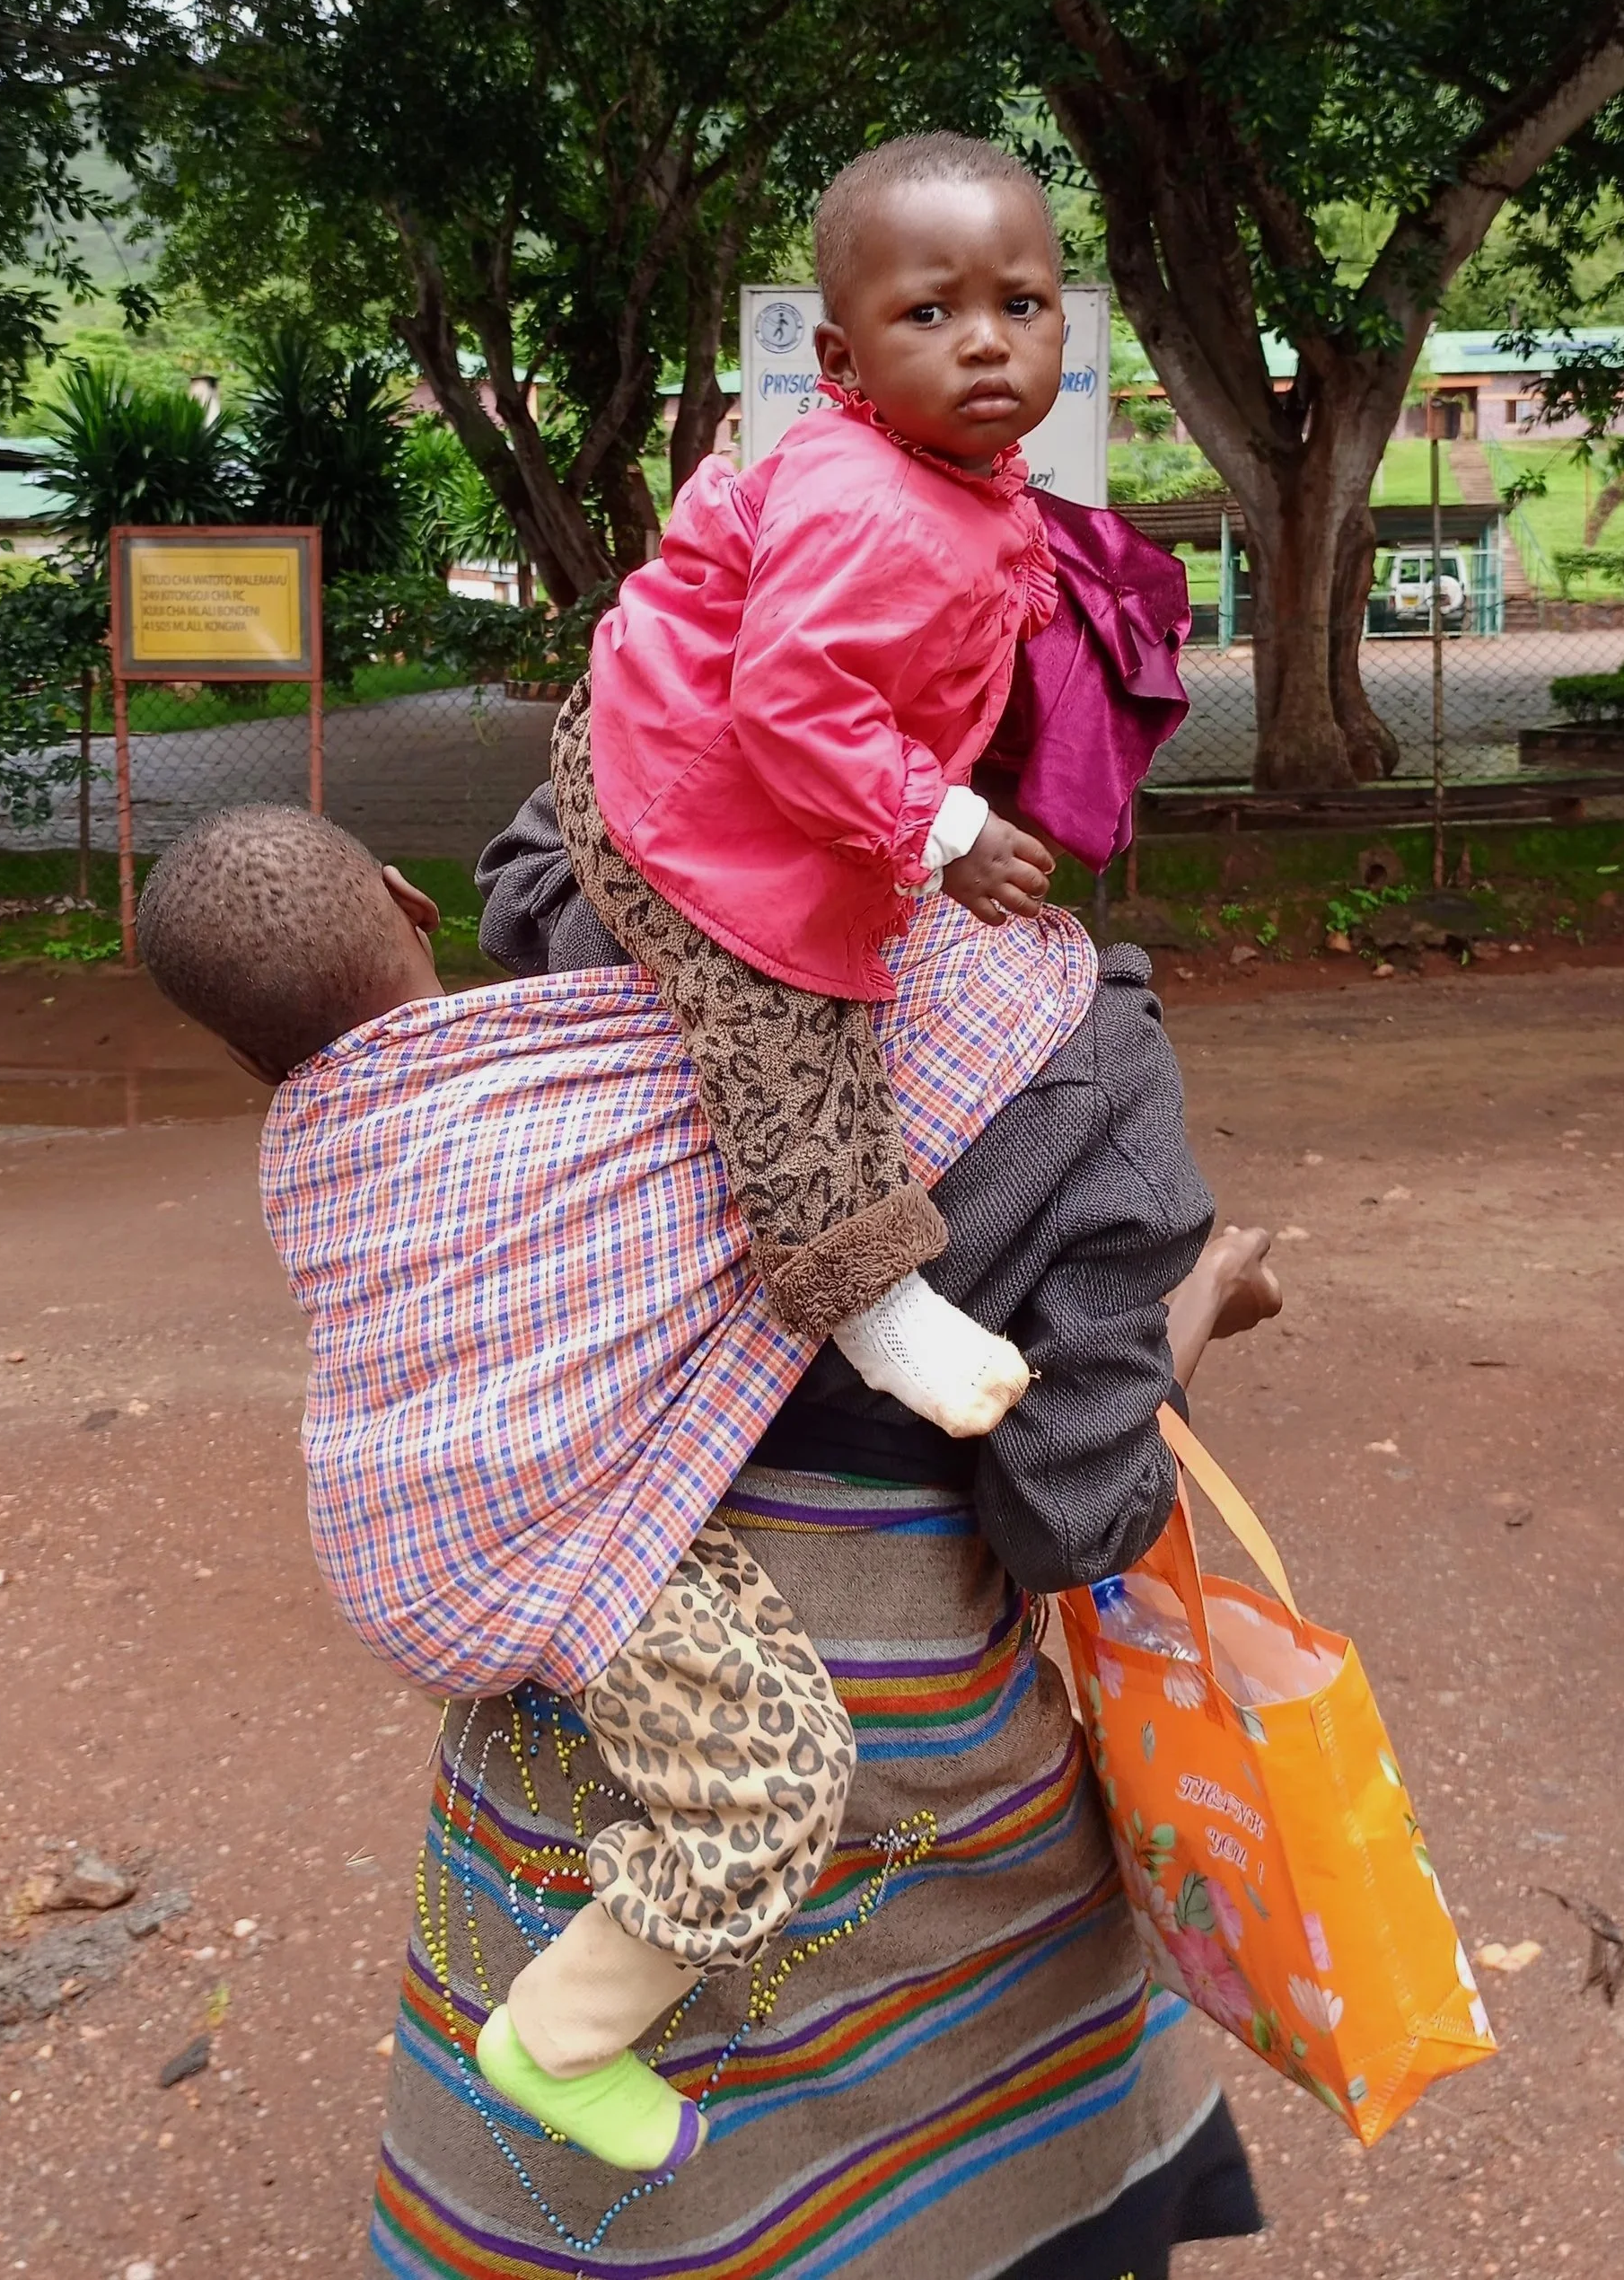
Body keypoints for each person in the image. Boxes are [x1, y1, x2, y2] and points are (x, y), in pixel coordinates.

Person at [359, 790, 1276, 2280]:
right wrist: (1199, 1302)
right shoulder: (1079, 1047)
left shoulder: (600, 891)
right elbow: (1070, 1513)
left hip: (595, 1639)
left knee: (559, 2172)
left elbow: (525, 853)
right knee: (973, 2142)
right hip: (895, 1714)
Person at [135, 800, 1105, 2179]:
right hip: (559, 1548)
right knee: (766, 1792)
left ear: (243, 1055)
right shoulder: (614, 1047)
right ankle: (561, 2037)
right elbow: (799, 1094)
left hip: (425, 1546)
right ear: (413, 907)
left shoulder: (389, 1094)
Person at [555, 130, 1077, 1444]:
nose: (986, 342)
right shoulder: (870, 504)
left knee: (847, 984)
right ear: (841, 361)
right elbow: (793, 704)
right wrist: (944, 826)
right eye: (929, 312)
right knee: (782, 1027)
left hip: (742, 760)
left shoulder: (955, 476)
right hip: (682, 787)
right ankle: (869, 1297)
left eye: (1021, 305)